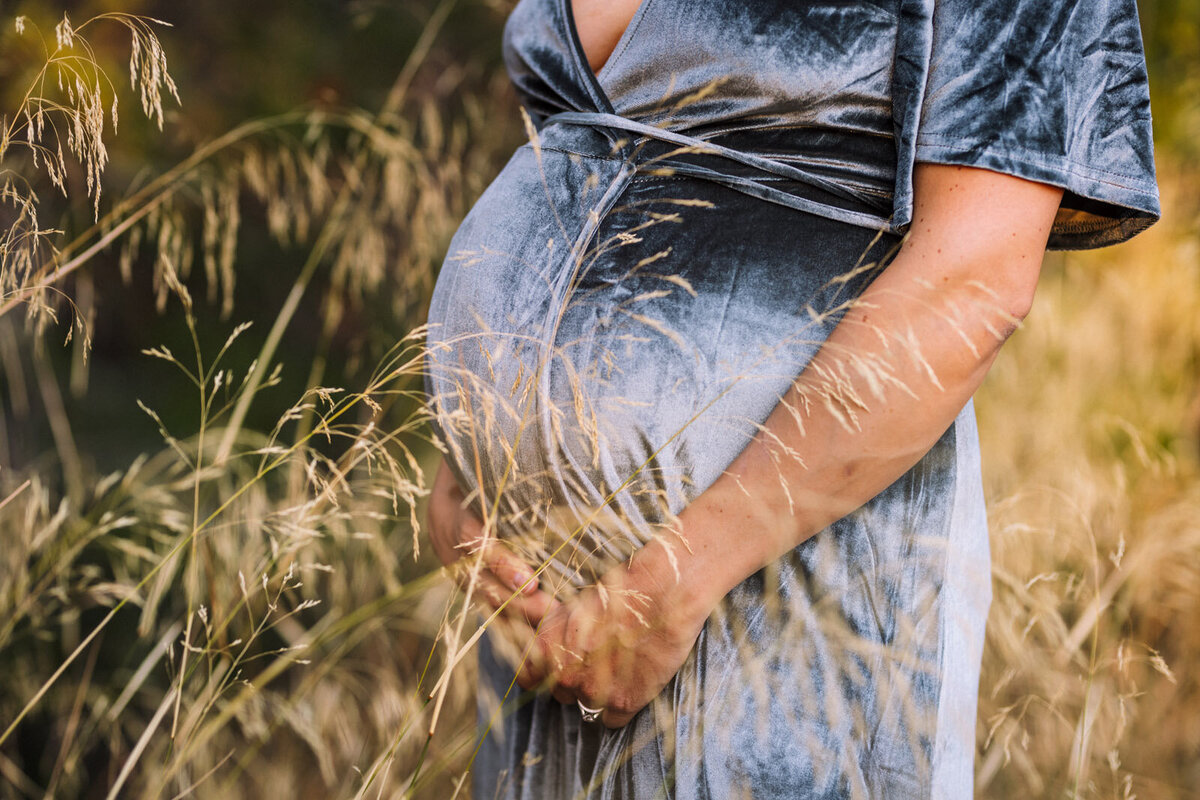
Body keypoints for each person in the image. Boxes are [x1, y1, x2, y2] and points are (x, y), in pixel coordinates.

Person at [424, 0, 1159, 796]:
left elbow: (974, 278)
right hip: (542, 602)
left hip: (774, 582)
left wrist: (678, 580)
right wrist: (470, 462)